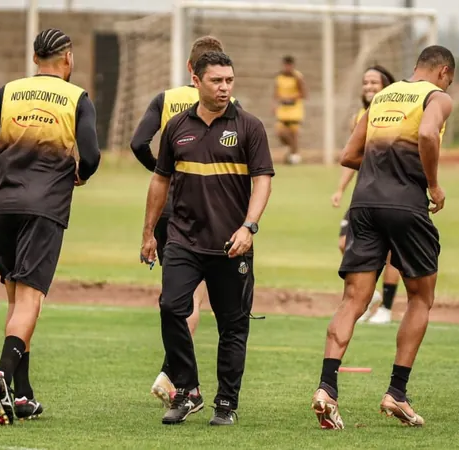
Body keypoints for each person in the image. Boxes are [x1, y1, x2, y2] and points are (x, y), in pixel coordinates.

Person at [311, 45, 455, 429]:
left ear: (414, 67)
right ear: (443, 72)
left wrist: (381, 165)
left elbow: (348, 155)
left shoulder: (383, 97)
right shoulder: (437, 97)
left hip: (364, 205)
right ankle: (397, 391)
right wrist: (434, 185)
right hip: (406, 207)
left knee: (353, 300)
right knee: (421, 298)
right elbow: (428, 133)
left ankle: (326, 388)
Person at [0, 28, 101, 426]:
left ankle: (21, 396)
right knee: (31, 301)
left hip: (3, 204)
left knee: (14, 300)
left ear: (34, 58)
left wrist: (0, 170)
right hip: (45, 206)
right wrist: (79, 174)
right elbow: (91, 154)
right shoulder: (76, 98)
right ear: (68, 58)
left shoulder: (7, 91)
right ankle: (2, 374)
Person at [140, 51, 274, 426]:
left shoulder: (249, 126)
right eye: (217, 80)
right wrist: (149, 232)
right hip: (183, 238)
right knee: (171, 307)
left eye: (229, 80)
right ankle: (187, 390)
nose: (225, 87)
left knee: (233, 325)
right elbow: (160, 180)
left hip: (232, 243)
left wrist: (249, 226)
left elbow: (262, 180)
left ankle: (226, 403)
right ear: (196, 81)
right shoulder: (177, 127)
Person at [130, 35, 239, 408]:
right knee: (195, 297)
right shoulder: (231, 107)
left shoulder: (165, 99)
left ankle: (177, 373)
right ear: (201, 73)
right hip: (209, 210)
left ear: (188, 67)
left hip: (167, 210)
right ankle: (172, 374)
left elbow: (137, 143)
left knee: (175, 296)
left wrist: (168, 171)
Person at [331, 65, 400, 325]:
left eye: (374, 82)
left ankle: (387, 308)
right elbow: (351, 156)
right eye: (366, 83)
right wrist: (340, 189)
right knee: (344, 243)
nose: (369, 87)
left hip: (392, 193)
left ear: (387, 87)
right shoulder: (358, 116)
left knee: (393, 253)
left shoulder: (397, 114)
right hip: (364, 192)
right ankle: (371, 296)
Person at [274, 56, 307, 165]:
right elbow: (276, 93)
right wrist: (274, 104)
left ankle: (294, 157)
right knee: (280, 133)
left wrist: (291, 98)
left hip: (294, 109)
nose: (287, 67)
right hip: (283, 109)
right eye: (285, 65)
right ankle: (294, 152)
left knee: (294, 134)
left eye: (289, 65)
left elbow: (304, 93)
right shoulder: (279, 77)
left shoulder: (298, 77)